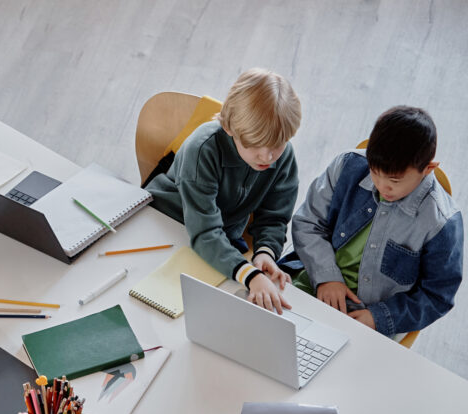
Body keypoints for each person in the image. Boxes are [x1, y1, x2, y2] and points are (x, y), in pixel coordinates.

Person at [288, 106, 462, 336]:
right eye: (374, 171)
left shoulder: (441, 222)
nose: (381, 186)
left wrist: (377, 317)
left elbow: (437, 295)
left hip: (370, 320)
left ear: (428, 169)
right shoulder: (346, 166)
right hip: (313, 281)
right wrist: (327, 277)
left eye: (394, 180)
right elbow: (307, 222)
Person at [145, 68, 302, 314]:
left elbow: (274, 217)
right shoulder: (202, 149)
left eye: (277, 145)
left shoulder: (283, 158)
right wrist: (249, 275)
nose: (267, 157)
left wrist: (266, 253)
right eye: (254, 145)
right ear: (229, 128)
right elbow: (204, 232)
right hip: (162, 225)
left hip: (217, 243)